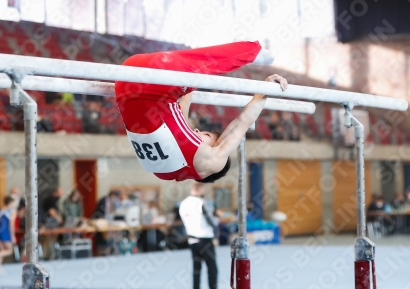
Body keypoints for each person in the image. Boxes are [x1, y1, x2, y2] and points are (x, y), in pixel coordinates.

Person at [115, 41, 285, 183]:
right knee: (191, 78)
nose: (196, 130)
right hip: (127, 80)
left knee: (202, 65)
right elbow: (186, 100)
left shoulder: (210, 162)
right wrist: (265, 90)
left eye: (206, 135)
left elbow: (242, 123)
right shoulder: (163, 172)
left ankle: (251, 50)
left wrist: (265, 88)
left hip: (143, 79)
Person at [179, 182, 222, 289]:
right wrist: (218, 216)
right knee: (212, 269)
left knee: (196, 270)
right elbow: (212, 222)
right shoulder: (201, 203)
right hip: (205, 239)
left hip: (192, 240)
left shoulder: (183, 204)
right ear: (200, 189)